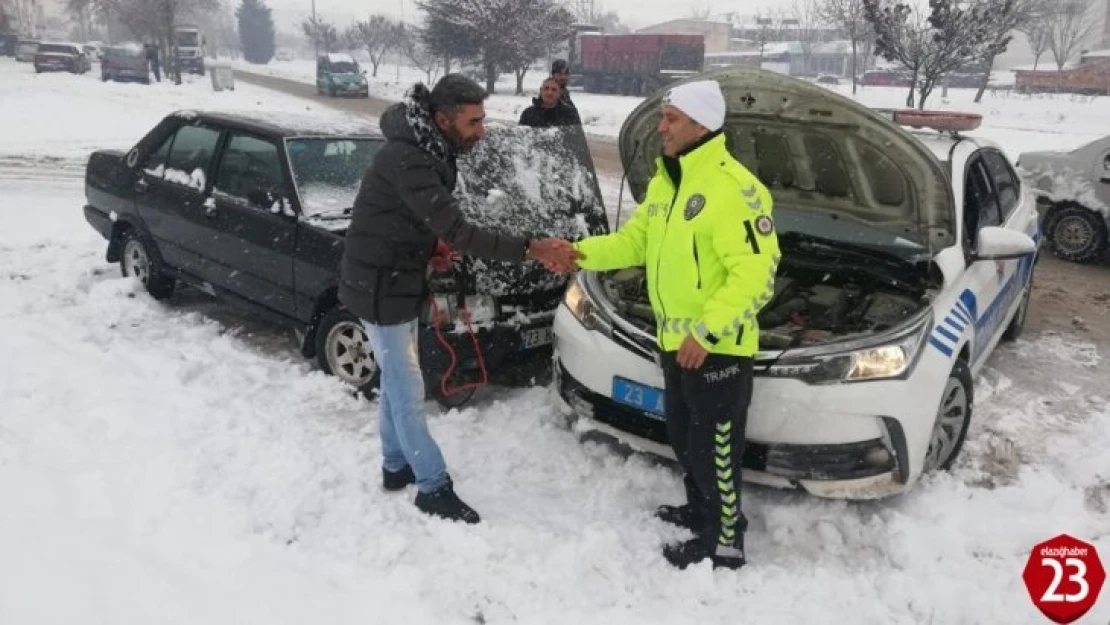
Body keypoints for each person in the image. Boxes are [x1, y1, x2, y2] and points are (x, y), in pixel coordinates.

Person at [338, 74, 578, 524]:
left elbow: (420, 221)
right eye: (474, 122)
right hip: (380, 288)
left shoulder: (429, 148)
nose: (482, 131)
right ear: (442, 120)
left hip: (396, 279)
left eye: (483, 120)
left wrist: (433, 247)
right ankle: (431, 486)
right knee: (407, 390)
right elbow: (460, 229)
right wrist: (532, 247)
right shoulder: (409, 158)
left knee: (396, 380)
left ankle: (394, 466)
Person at [569, 80, 780, 570]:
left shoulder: (735, 190)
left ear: (701, 125)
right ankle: (699, 510)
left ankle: (725, 541)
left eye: (671, 119)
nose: (661, 127)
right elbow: (633, 244)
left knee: (716, 450)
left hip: (717, 348)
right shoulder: (668, 183)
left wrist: (706, 333)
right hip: (673, 341)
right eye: (662, 117)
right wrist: (578, 253)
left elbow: (756, 277)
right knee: (686, 441)